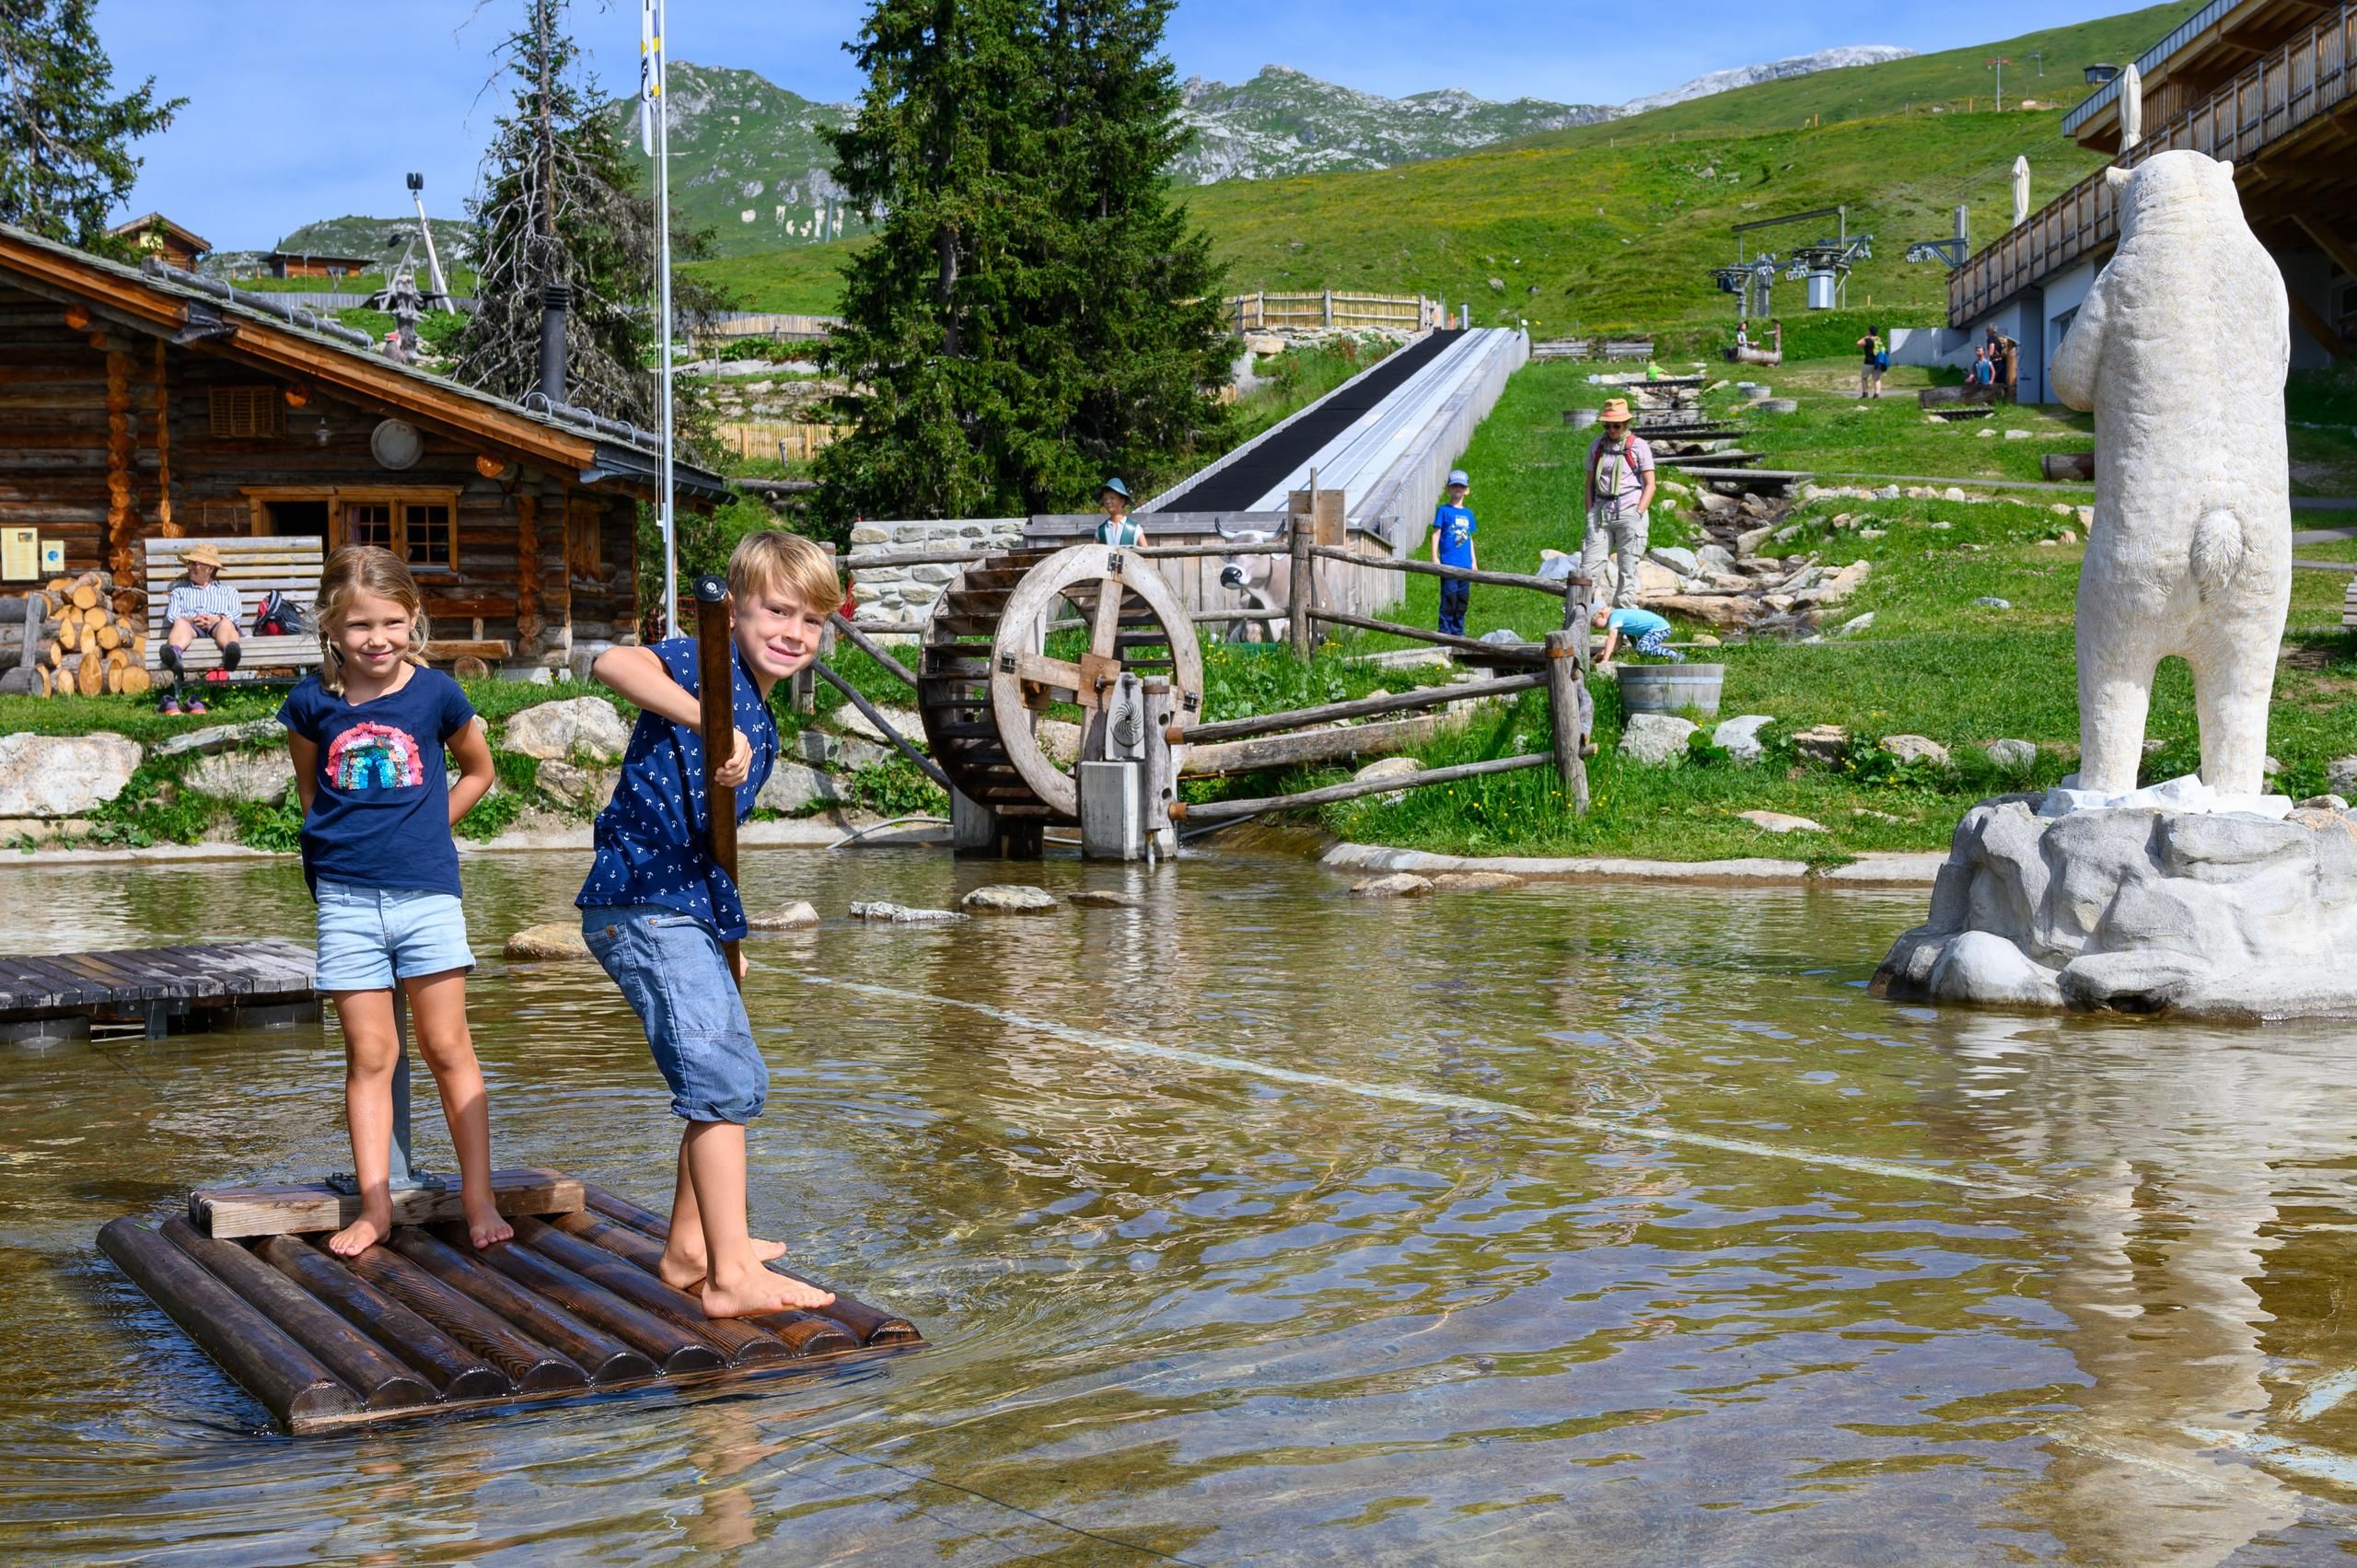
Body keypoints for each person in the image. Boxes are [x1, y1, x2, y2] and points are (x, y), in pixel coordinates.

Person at [578, 530, 841, 1319]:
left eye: (813, 621)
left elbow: (715, 837)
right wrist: (706, 720)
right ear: (738, 608)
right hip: (644, 901)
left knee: (730, 1074)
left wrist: (725, 932)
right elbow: (609, 662)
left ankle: (692, 1247)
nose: (794, 632)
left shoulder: (756, 703)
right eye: (778, 610)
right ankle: (730, 1276)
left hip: (687, 906)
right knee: (720, 1080)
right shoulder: (710, 661)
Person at [278, 545, 504, 1257]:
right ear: (330, 629)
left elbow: (479, 768)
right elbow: (312, 793)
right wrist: (342, 849)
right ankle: (374, 1206)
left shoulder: (436, 695)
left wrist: (425, 830)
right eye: (358, 626)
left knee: (446, 1047)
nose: (376, 638)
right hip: (345, 901)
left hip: (427, 898)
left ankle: (479, 1198)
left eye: (392, 622)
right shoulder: (312, 702)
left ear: (414, 620)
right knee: (369, 1056)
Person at [1582, 398, 1655, 608]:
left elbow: (1650, 484)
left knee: (1627, 569)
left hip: (1629, 510)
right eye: (1607, 425)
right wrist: (1590, 513)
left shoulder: (1638, 446)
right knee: (1589, 567)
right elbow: (1588, 485)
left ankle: (1622, 627)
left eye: (1616, 425)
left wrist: (1639, 512)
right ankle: (1577, 617)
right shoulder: (1597, 446)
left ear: (1626, 424)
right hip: (1601, 512)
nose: (1611, 429)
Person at [160, 542, 241, 714]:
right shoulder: (180, 591)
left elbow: (235, 615)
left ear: (209, 568)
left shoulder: (228, 592)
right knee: (180, 623)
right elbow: (173, 615)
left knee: (227, 624)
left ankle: (231, 653)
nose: (190, 567)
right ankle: (174, 654)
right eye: (190, 563)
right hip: (190, 626)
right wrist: (191, 619)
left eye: (195, 563)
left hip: (217, 625)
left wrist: (217, 618)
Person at [1430, 469, 1477, 637]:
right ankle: (1445, 633)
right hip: (1449, 563)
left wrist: (1473, 561)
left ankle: (1458, 632)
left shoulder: (1468, 514)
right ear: (1448, 489)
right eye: (1454, 486)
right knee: (1449, 598)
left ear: (1467, 490)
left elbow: (1469, 538)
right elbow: (1436, 534)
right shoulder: (1444, 511)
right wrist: (1435, 557)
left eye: (1461, 486)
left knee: (1462, 599)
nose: (1458, 489)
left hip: (1465, 564)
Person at [1592, 603, 1682, 665]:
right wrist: (1599, 656)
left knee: (1642, 647)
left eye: (1595, 624)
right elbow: (1616, 645)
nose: (1595, 628)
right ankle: (1646, 661)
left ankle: (1674, 655)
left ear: (1602, 614)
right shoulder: (1617, 617)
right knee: (1635, 643)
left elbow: (1612, 638)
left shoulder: (1614, 616)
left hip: (1659, 628)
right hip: (1650, 630)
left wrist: (1605, 660)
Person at [1095, 478, 1144, 547]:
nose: (1108, 502)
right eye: (1105, 499)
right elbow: (1093, 553)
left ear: (1122, 501)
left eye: (1112, 498)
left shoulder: (1134, 528)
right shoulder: (1101, 531)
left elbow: (1146, 553)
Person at [1857, 325, 1887, 399]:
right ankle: (1877, 394)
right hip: (1878, 361)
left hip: (1869, 362)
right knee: (1877, 379)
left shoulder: (1867, 340)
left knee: (1864, 377)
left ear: (1870, 332)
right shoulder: (1879, 340)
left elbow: (1858, 343)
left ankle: (1865, 393)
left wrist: (1866, 337)